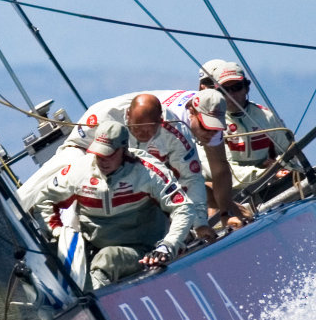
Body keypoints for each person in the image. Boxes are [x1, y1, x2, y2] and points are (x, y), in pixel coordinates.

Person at [26, 120, 194, 289]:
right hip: (91, 248)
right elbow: (43, 201)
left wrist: (168, 245)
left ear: (124, 149)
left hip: (145, 251)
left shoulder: (148, 172)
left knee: (106, 259)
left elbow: (183, 207)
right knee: (40, 262)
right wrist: (58, 233)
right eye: (98, 154)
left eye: (109, 154)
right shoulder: (78, 171)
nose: (102, 160)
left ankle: (95, 312)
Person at [58, 92, 210, 237]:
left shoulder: (175, 133)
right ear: (127, 116)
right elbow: (73, 149)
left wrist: (200, 223)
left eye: (148, 129)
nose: (142, 134)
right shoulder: (104, 116)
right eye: (136, 128)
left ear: (160, 121)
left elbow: (191, 179)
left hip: (148, 189)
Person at [147, 87, 251, 229]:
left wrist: (226, 210)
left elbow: (220, 168)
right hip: (133, 129)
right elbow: (178, 183)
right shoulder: (172, 125)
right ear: (191, 111)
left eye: (216, 129)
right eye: (206, 128)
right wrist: (222, 205)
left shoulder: (210, 108)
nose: (211, 134)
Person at [198, 59, 301, 190]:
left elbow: (291, 155)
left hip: (268, 188)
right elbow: (220, 170)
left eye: (236, 88)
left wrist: (279, 166)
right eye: (224, 90)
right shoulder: (209, 123)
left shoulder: (267, 117)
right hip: (228, 193)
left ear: (246, 88)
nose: (231, 94)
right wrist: (264, 173)